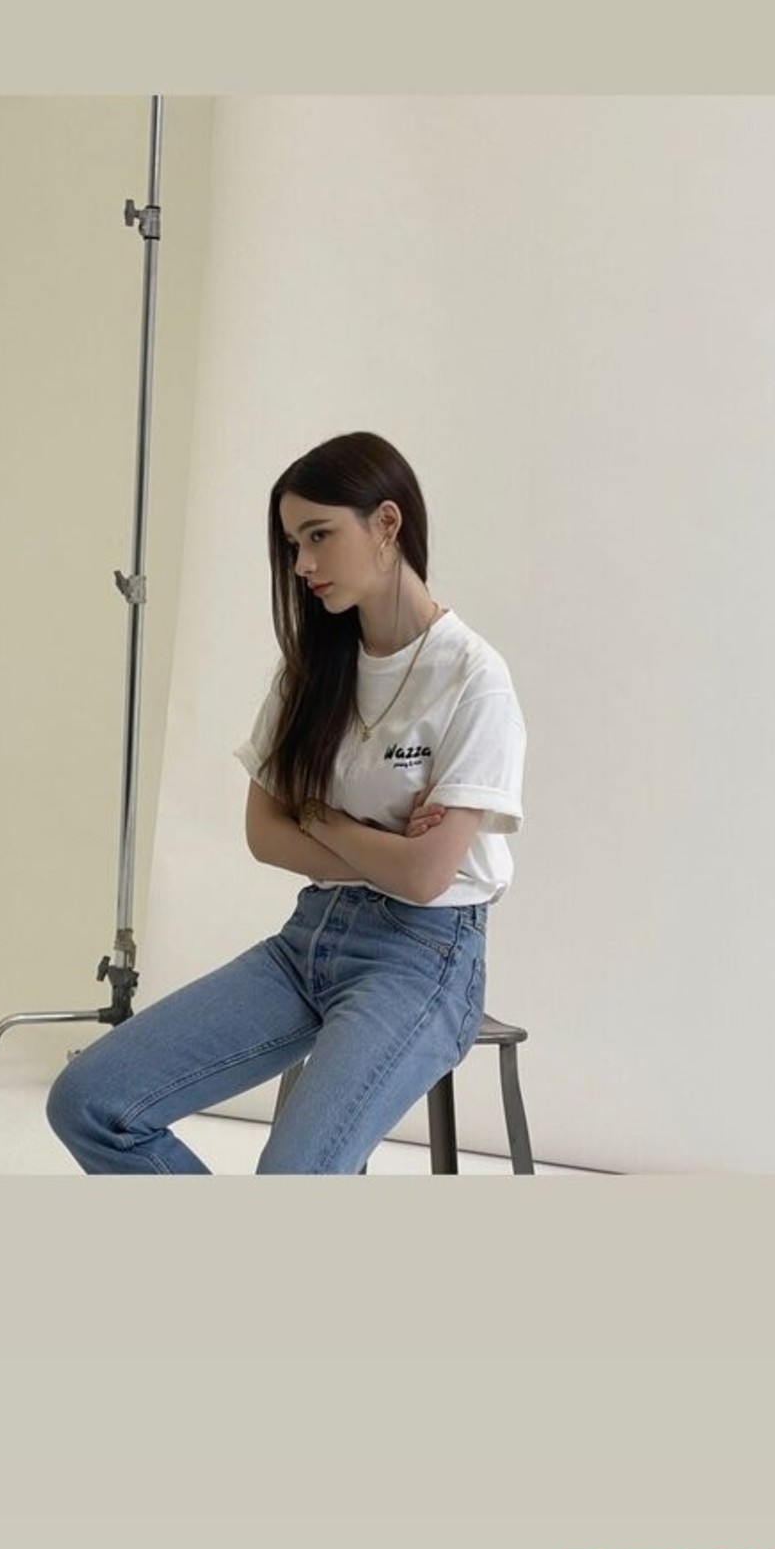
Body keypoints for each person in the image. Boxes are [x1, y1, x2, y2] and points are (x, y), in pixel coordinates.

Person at [46, 431, 527, 1174]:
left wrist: (320, 817)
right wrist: (383, 844)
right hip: (311, 939)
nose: (301, 563)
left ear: (387, 524)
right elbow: (263, 834)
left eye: (319, 535)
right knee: (90, 1098)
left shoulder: (473, 678)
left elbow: (427, 877)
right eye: (294, 543)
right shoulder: (313, 669)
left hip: (423, 959)